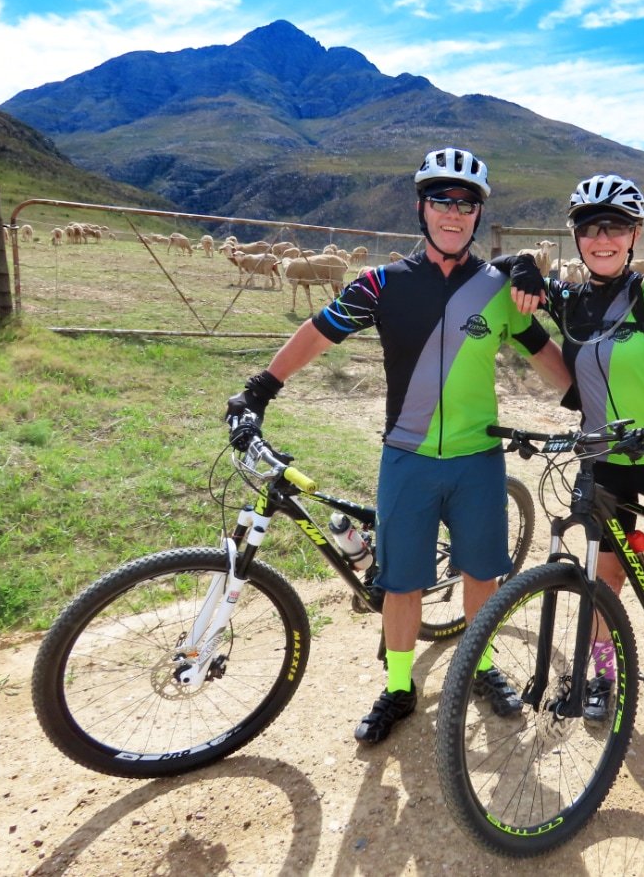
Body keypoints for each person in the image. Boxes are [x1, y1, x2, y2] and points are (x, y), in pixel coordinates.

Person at [226, 148, 570, 745]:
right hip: (407, 456)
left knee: (481, 576)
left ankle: (483, 666)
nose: (453, 213)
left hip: (477, 460)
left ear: (478, 215)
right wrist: (260, 389)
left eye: (466, 204)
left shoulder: (497, 288)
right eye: (442, 200)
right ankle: (400, 686)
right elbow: (318, 333)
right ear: (421, 208)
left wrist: (595, 411)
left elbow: (545, 355)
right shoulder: (382, 284)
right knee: (403, 582)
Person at [501, 174, 644, 753]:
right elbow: (501, 266)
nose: (601, 238)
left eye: (614, 227)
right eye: (588, 228)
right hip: (603, 456)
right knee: (602, 576)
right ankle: (603, 676)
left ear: (634, 233)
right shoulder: (571, 300)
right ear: (576, 237)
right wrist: (521, 267)